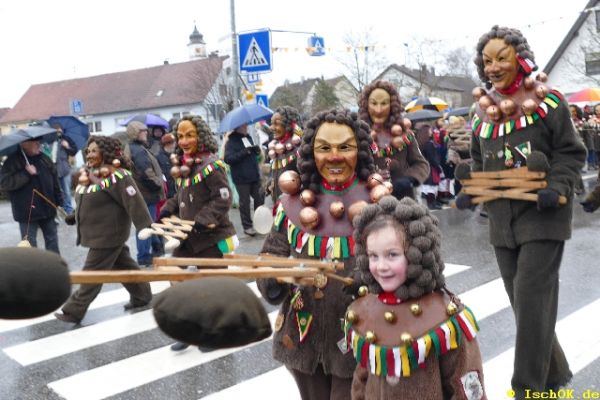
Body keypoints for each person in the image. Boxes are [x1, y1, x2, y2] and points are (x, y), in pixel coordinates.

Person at [455, 25, 586, 399]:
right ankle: (555, 373)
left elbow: (571, 152)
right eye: (487, 61)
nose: (493, 67)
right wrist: (471, 190)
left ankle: (527, 390)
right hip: (501, 223)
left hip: (544, 217)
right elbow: (478, 161)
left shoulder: (548, 101)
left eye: (502, 58)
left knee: (530, 299)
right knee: (526, 306)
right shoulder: (483, 111)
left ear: (521, 59)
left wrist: (557, 187)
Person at [256, 108, 391, 400]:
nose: (334, 157)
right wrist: (274, 275)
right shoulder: (292, 203)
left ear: (360, 150)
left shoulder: (378, 201)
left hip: (358, 335)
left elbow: (400, 262)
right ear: (310, 152)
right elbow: (272, 251)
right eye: (324, 148)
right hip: (303, 334)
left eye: (345, 147)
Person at [348, 196, 486, 399]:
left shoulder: (447, 321)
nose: (381, 266)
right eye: (373, 256)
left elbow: (467, 389)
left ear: (417, 253)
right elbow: (362, 377)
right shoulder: (367, 311)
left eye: (392, 255)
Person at [158, 115, 238, 352]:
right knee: (177, 278)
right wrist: (168, 208)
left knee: (213, 285)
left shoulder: (211, 165)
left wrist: (204, 220)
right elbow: (181, 196)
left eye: (189, 135)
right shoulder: (184, 166)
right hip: (187, 237)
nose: (184, 141)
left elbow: (223, 198)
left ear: (200, 136)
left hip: (210, 236)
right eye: (180, 136)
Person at [54, 136, 153, 323]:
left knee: (92, 273)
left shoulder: (117, 175)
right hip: (100, 233)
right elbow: (88, 201)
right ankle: (142, 295)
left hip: (108, 234)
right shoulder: (91, 174)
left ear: (105, 153)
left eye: (94, 151)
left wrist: (145, 226)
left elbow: (134, 201)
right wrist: (73, 216)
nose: (89, 154)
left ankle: (74, 309)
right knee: (123, 265)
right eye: (88, 151)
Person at [358, 80, 430, 200]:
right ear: (366, 105)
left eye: (384, 103)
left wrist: (408, 179)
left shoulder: (405, 134)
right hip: (369, 200)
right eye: (374, 103)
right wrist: (370, 177)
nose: (379, 110)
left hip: (403, 200)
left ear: (392, 105)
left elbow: (421, 164)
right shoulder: (359, 136)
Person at [0, 137, 63, 253]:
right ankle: (33, 265)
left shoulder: (44, 158)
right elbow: (5, 184)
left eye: (39, 142)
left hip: (48, 209)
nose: (39, 144)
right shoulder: (11, 162)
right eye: (35, 142)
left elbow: (54, 180)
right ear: (24, 144)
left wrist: (59, 200)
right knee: (30, 246)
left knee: (52, 241)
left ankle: (55, 263)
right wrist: (26, 173)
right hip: (26, 213)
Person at [126, 121, 166, 265]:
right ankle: (143, 256)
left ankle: (156, 247)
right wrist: (158, 184)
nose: (146, 132)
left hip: (143, 193)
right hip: (147, 194)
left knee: (148, 223)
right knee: (145, 225)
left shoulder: (135, 148)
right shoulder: (138, 151)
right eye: (143, 130)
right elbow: (146, 173)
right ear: (136, 133)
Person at [223, 122, 265, 236]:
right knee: (245, 203)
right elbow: (228, 159)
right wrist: (244, 152)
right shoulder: (231, 142)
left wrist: (256, 150)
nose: (246, 127)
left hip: (254, 175)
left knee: (260, 196)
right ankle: (247, 226)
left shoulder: (248, 137)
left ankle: (259, 221)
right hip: (241, 177)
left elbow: (252, 154)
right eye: (244, 126)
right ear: (238, 127)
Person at [266, 106, 303, 201]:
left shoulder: (298, 149)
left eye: (277, 123)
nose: (271, 128)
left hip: (294, 204)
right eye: (271, 123)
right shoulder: (276, 148)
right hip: (278, 202)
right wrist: (270, 182)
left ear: (289, 125)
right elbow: (273, 172)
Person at [415, 124, 443, 210]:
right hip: (431, 167)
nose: (432, 132)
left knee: (428, 186)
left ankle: (432, 203)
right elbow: (431, 157)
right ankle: (432, 204)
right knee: (431, 186)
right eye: (430, 130)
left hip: (425, 167)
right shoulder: (428, 144)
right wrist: (438, 166)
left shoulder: (420, 143)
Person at [52, 126, 78, 214]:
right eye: (57, 131)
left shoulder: (66, 139)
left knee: (67, 191)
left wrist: (67, 146)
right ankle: (61, 210)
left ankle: (69, 210)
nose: (58, 132)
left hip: (65, 169)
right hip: (54, 171)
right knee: (58, 192)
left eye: (60, 131)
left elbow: (73, 151)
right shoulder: (49, 141)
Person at [154, 133, 177, 216]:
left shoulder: (176, 155)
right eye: (173, 142)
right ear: (168, 144)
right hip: (168, 192)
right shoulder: (158, 157)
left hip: (177, 190)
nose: (175, 144)